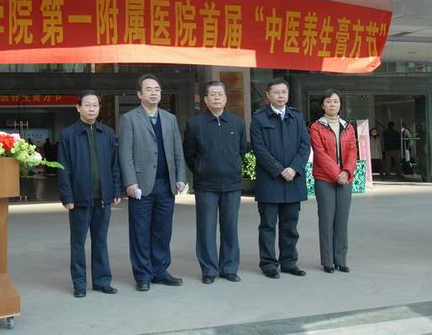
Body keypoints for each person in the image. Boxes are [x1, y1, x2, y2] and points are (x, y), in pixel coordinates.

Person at [118, 74, 187, 291]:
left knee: (163, 231)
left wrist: (180, 177)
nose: (154, 92)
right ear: (140, 94)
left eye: (157, 89)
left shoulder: (169, 118)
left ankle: (160, 271)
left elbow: (177, 150)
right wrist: (130, 181)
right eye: (149, 89)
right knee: (140, 232)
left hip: (166, 185)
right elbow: (125, 154)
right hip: (141, 185)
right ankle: (143, 275)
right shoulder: (129, 119)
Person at [57, 90, 122, 298]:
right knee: (78, 243)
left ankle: (102, 281)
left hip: (103, 197)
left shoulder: (108, 133)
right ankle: (79, 284)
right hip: (79, 199)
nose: (92, 109)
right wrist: (67, 197)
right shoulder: (68, 135)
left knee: (100, 241)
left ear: (99, 108)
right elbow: (63, 168)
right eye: (87, 105)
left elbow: (114, 165)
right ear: (78, 107)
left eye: (95, 105)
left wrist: (116, 189)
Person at [183, 81, 246, 284]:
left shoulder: (237, 122)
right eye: (212, 94)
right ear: (205, 99)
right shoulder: (195, 124)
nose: (217, 97)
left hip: (232, 185)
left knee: (230, 228)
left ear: (226, 98)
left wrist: (233, 167)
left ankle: (229, 268)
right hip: (206, 186)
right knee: (206, 229)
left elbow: (241, 150)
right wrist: (201, 169)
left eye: (220, 94)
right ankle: (209, 270)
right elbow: (189, 153)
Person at [250, 78, 311, 279]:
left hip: (293, 180)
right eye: (276, 92)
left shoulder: (296, 117)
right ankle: (268, 264)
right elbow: (259, 148)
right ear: (268, 95)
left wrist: (294, 168)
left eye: (284, 92)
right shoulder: (259, 119)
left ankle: (289, 262)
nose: (281, 96)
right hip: (270, 181)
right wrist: (278, 169)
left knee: (290, 226)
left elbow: (305, 145)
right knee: (268, 226)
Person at [309, 90, 357, 274]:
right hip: (324, 179)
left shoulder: (348, 127)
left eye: (335, 101)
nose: (332, 104)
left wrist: (346, 172)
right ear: (322, 105)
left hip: (345, 179)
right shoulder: (316, 126)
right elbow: (320, 154)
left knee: (342, 220)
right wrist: (337, 174)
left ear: (340, 104)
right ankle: (328, 261)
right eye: (328, 101)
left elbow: (352, 151)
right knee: (327, 219)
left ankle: (341, 260)